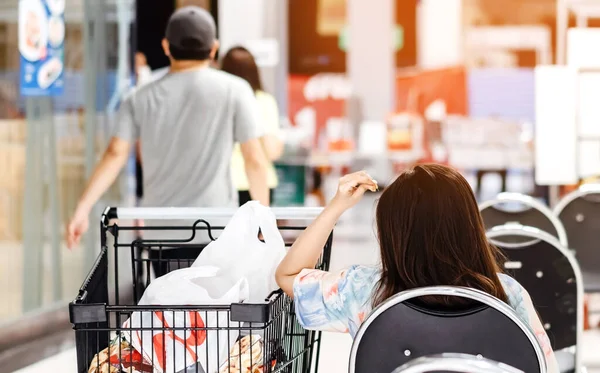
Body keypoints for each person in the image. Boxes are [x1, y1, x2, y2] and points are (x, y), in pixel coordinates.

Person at [275, 164, 559, 372]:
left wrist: (335, 207)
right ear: (470, 226)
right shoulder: (507, 294)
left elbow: (287, 274)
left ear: (392, 234)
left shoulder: (362, 289)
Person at [66, 6, 271, 274]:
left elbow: (116, 153)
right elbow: (254, 160)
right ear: (214, 49)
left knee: (171, 309)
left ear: (166, 46)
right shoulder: (236, 90)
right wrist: (264, 221)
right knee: (216, 312)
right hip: (216, 230)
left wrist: (83, 208)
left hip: (162, 231)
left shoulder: (139, 97)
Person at [221, 46, 284, 206]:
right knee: (256, 230)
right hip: (260, 184)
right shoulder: (264, 101)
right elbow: (272, 151)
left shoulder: (217, 101)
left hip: (223, 183)